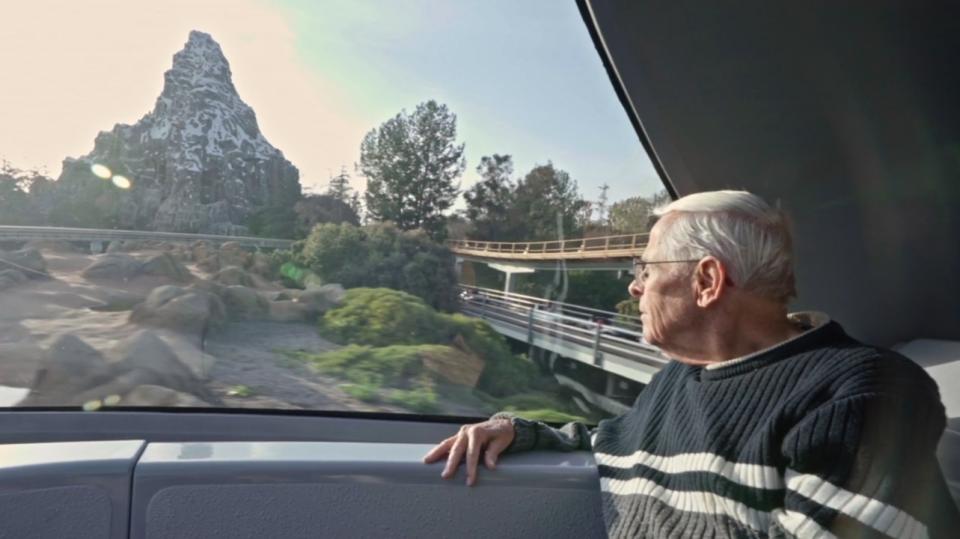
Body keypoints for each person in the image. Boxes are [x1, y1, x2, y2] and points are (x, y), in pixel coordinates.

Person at [423, 190, 960, 538]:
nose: (635, 286)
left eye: (645, 268)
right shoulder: (680, 379)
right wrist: (512, 429)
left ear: (706, 281)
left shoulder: (863, 393)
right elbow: (611, 441)